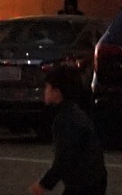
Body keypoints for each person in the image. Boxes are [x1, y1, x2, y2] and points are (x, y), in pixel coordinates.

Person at [27, 62, 105, 195]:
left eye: (47, 87)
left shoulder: (65, 119)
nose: (44, 91)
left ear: (57, 93)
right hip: (92, 180)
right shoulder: (74, 114)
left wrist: (44, 184)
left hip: (83, 183)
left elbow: (64, 158)